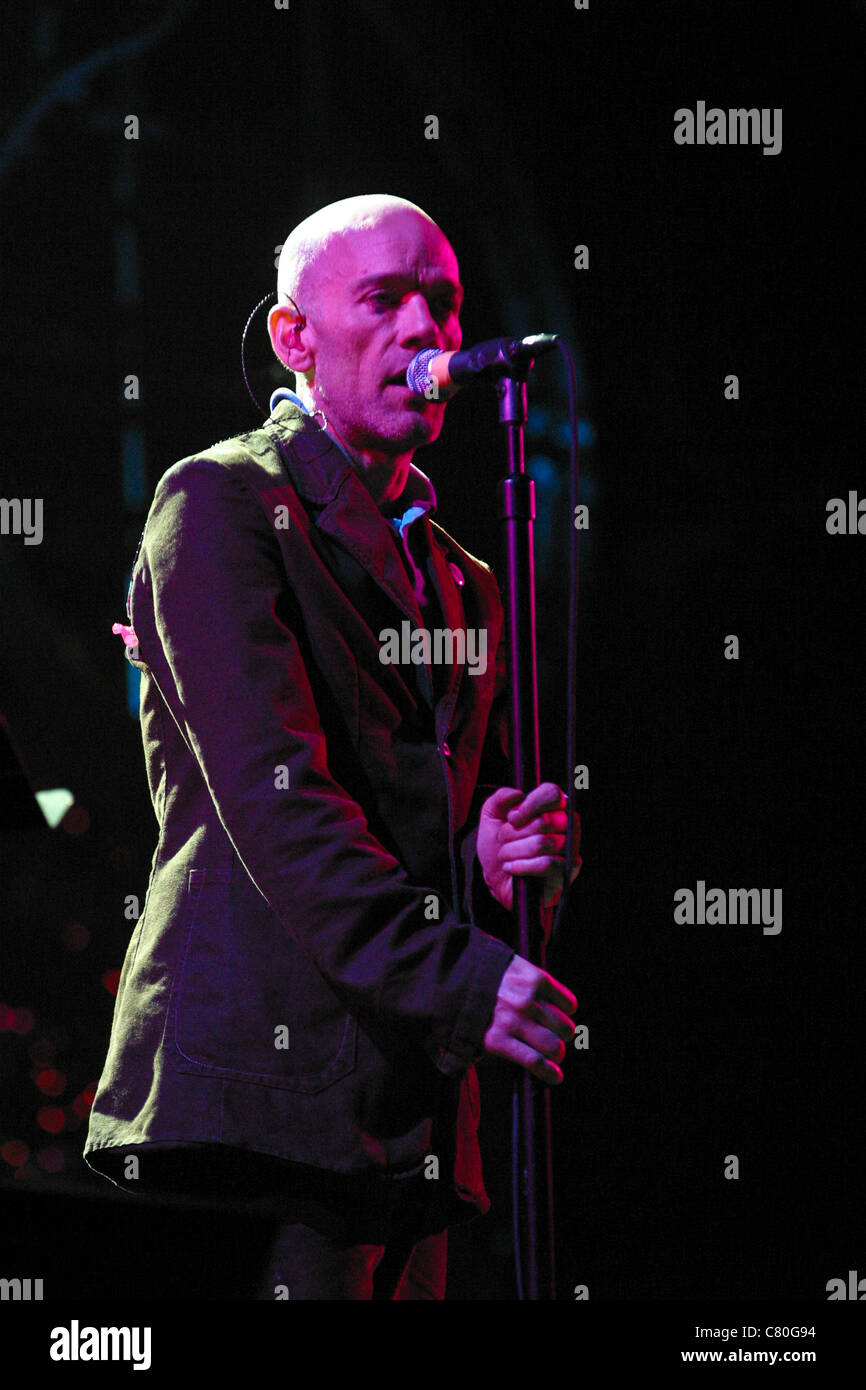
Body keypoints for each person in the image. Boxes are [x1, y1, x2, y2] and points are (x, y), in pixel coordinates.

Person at [84, 194, 581, 1299]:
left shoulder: (465, 581)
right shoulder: (217, 503)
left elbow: (438, 840)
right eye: (385, 299)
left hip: (404, 1126)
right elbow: (281, 806)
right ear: (294, 337)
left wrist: (495, 873)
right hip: (255, 1116)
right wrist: (460, 974)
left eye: (442, 305)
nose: (425, 331)